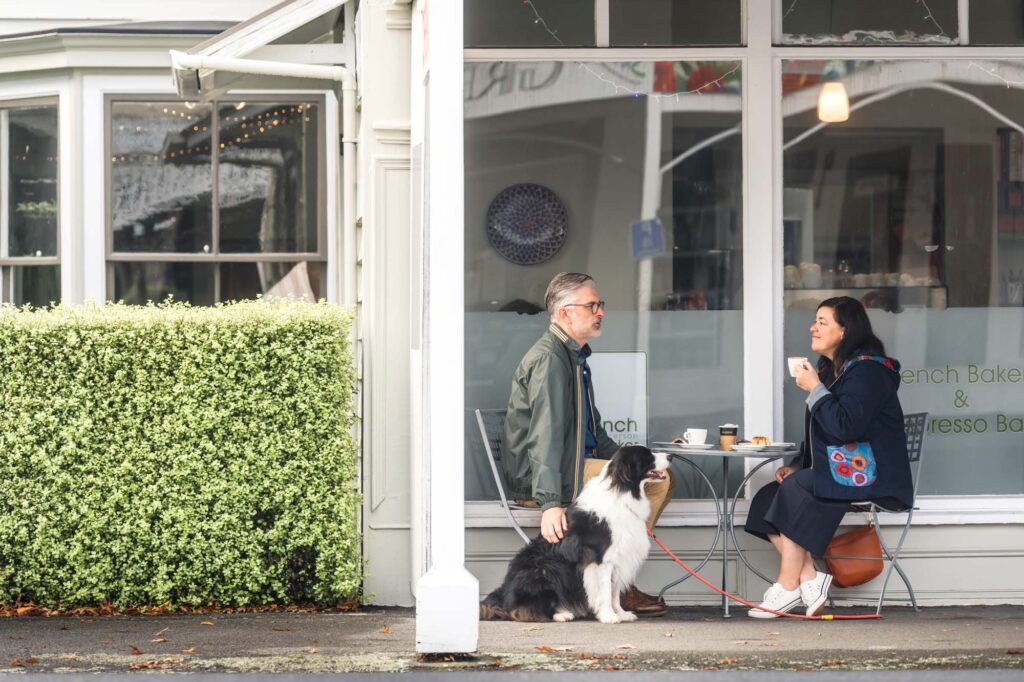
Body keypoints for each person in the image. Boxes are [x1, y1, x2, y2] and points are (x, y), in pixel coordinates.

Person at [502, 272, 676, 617]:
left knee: (655, 478)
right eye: (592, 305)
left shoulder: (574, 357)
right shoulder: (551, 359)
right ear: (565, 313)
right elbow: (544, 436)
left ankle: (613, 577)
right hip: (550, 474)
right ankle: (616, 582)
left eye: (601, 305)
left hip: (573, 463)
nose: (600, 312)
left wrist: (636, 459)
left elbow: (595, 431)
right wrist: (550, 502)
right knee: (656, 485)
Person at [743, 296, 913, 618]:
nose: (813, 327)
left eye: (822, 322)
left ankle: (788, 585)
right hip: (841, 469)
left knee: (796, 491)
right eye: (815, 320)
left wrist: (815, 389)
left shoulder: (868, 371)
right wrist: (797, 465)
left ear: (845, 331)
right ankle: (809, 577)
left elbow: (846, 428)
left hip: (873, 475)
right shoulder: (831, 369)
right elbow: (822, 431)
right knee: (767, 496)